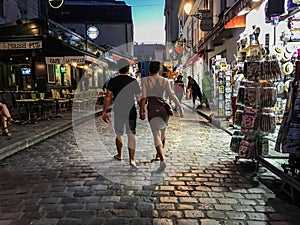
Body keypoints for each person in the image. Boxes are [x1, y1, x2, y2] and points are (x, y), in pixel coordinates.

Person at [140, 61, 184, 171]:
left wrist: (142, 110)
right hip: (163, 110)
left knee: (156, 135)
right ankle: (158, 155)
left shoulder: (145, 80)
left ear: (149, 69)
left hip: (153, 109)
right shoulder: (165, 81)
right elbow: (171, 94)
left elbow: (144, 97)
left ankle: (162, 159)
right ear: (159, 69)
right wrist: (180, 106)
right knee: (162, 134)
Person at [102, 58, 142, 169]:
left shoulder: (113, 81)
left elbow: (108, 97)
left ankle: (119, 155)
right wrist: (143, 110)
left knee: (119, 134)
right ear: (128, 68)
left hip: (118, 110)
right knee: (131, 134)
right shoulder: (133, 81)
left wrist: (104, 111)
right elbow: (139, 98)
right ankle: (132, 159)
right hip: (131, 110)